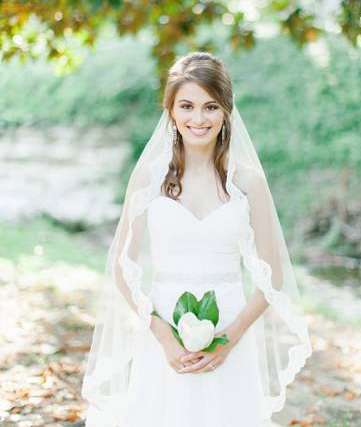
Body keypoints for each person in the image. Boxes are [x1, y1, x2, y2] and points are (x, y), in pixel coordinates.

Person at [81, 51, 312, 426]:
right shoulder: (148, 180)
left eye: (210, 107)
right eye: (187, 106)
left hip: (230, 328)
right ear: (171, 110)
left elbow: (272, 278)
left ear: (226, 111)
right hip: (163, 330)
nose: (198, 119)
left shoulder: (249, 183)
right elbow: (124, 268)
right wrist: (165, 338)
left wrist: (228, 340)